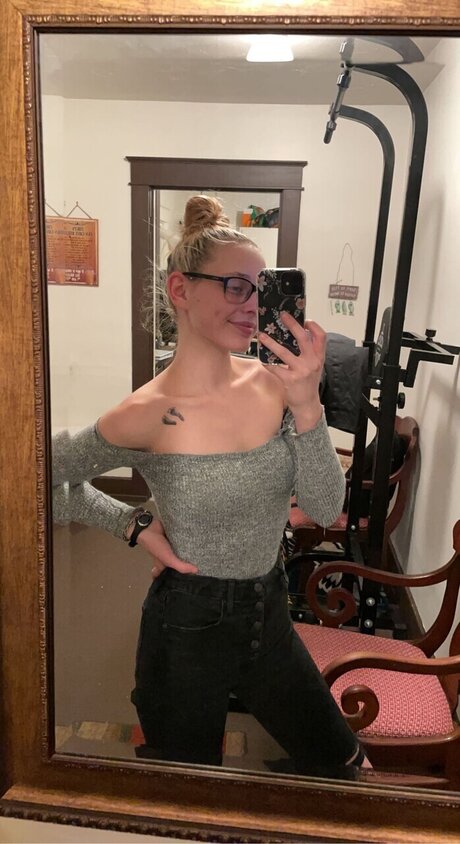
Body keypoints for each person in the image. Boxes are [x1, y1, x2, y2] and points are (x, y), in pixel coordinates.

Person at [53, 195, 364, 780]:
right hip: (185, 626)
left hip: (269, 613)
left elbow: (325, 506)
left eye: (260, 289)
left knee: (341, 766)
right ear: (180, 289)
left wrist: (307, 404)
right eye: (235, 287)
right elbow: (31, 477)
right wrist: (132, 523)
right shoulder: (144, 414)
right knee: (186, 789)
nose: (252, 306)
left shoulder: (274, 384)